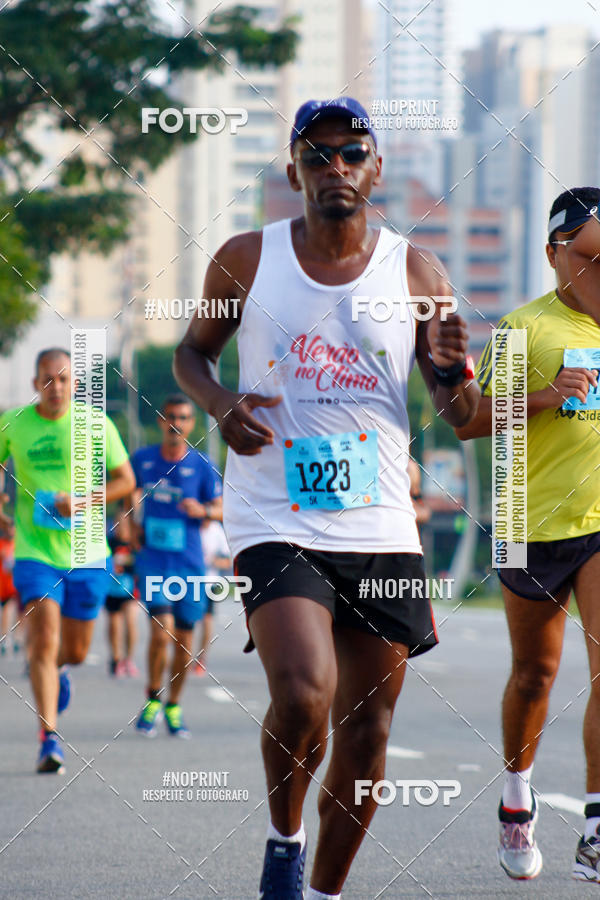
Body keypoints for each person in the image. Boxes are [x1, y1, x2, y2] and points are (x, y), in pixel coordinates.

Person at [174, 96, 479, 900]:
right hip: (275, 515)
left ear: (375, 169)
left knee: (369, 729)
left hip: (380, 518)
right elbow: (192, 353)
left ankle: (324, 893)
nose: (334, 168)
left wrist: (454, 367)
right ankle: (284, 841)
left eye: (352, 155)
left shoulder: (417, 273)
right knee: (305, 690)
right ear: (292, 172)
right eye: (318, 156)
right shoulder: (247, 256)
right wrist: (219, 407)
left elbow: (462, 417)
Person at [456, 187, 600, 883]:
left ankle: (596, 826)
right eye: (587, 251)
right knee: (535, 675)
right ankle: (518, 795)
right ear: (554, 253)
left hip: (598, 521)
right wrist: (549, 396)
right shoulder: (523, 329)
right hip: (527, 522)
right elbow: (472, 419)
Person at [0, 348, 134, 773]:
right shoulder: (14, 424)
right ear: (34, 383)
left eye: (62, 379)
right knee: (43, 636)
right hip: (35, 552)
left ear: (74, 385)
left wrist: (84, 501)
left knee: (73, 650)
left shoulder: (96, 425)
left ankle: (59, 671)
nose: (54, 387)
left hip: (88, 553)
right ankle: (49, 738)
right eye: (46, 379)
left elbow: (126, 481)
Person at [130, 394, 223, 738]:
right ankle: (153, 696)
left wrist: (205, 512)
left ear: (191, 424)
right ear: (160, 421)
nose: (176, 424)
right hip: (154, 559)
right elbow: (127, 489)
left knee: (184, 639)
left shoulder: (202, 465)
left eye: (183, 418)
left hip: (190, 564)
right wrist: (129, 523)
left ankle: (174, 704)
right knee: (161, 630)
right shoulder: (143, 459)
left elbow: (223, 508)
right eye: (170, 417)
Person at [193, 517, 231, 676]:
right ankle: (184, 656)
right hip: (187, 581)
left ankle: (201, 658)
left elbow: (228, 561)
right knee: (187, 622)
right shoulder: (191, 524)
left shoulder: (216, 529)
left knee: (207, 621)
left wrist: (214, 561)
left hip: (210, 583)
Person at [105, 509, 139, 677]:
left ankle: (129, 659)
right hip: (112, 589)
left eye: (124, 523)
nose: (121, 527)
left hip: (130, 589)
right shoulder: (109, 542)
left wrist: (127, 564)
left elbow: (141, 564)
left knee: (131, 623)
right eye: (118, 524)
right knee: (114, 625)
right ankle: (115, 658)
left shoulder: (134, 544)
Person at [0, 522, 24, 655]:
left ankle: (18, 638)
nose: (11, 531)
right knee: (7, 610)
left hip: (18, 585)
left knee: (21, 613)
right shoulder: (1, 544)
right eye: (9, 528)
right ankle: (5, 638)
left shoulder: (19, 544)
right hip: (5, 586)